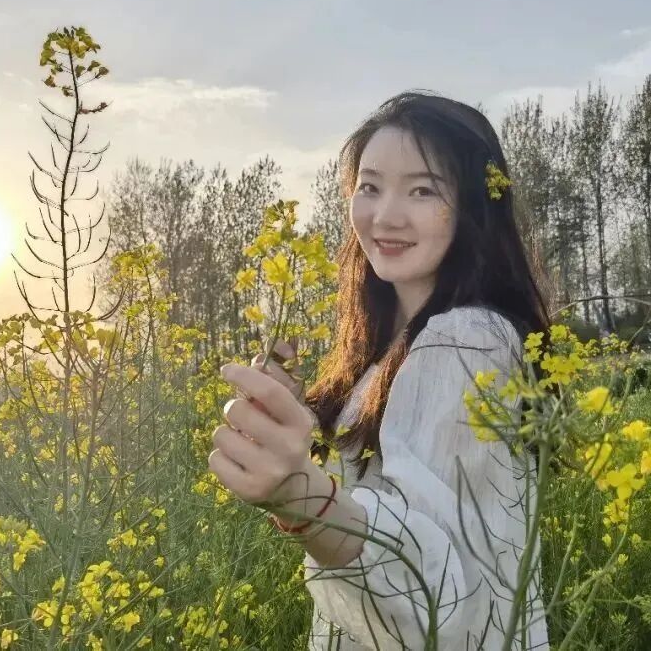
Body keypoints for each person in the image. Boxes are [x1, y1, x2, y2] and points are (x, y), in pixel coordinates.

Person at [212, 90, 552, 650]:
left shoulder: (465, 339)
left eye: (423, 190)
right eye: (369, 187)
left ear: (473, 207)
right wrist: (297, 418)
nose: (385, 216)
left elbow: (437, 591)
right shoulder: (397, 341)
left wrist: (302, 496)